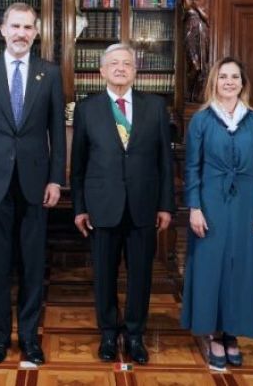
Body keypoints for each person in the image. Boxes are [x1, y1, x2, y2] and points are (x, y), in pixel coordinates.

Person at [0, 2, 66, 365]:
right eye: (16, 26)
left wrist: (56, 179)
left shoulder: (49, 73)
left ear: (36, 33)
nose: (22, 33)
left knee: (34, 267)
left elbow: (58, 132)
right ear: (2, 30)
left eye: (28, 27)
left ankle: (30, 339)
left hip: (37, 186)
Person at [71, 43, 175, 365]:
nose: (120, 68)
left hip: (144, 206)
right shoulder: (87, 109)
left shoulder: (155, 107)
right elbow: (78, 165)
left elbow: (165, 162)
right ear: (101, 70)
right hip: (102, 206)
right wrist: (79, 207)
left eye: (126, 64)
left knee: (141, 275)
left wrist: (166, 205)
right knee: (103, 275)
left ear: (135, 70)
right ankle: (107, 333)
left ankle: (134, 335)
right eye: (113, 63)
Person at [180, 56, 253, 371]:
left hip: (247, 201)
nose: (229, 82)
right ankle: (213, 333)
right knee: (211, 267)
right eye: (223, 77)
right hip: (211, 201)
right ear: (214, 82)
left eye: (235, 77)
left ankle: (232, 332)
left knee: (242, 268)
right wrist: (194, 206)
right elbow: (191, 167)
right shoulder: (202, 120)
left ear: (243, 83)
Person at [180, 0, 210, 102]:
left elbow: (207, 19)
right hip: (189, 34)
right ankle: (188, 93)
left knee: (202, 67)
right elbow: (186, 5)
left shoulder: (206, 3)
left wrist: (197, 7)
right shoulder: (189, 2)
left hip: (201, 35)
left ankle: (195, 95)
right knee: (194, 65)